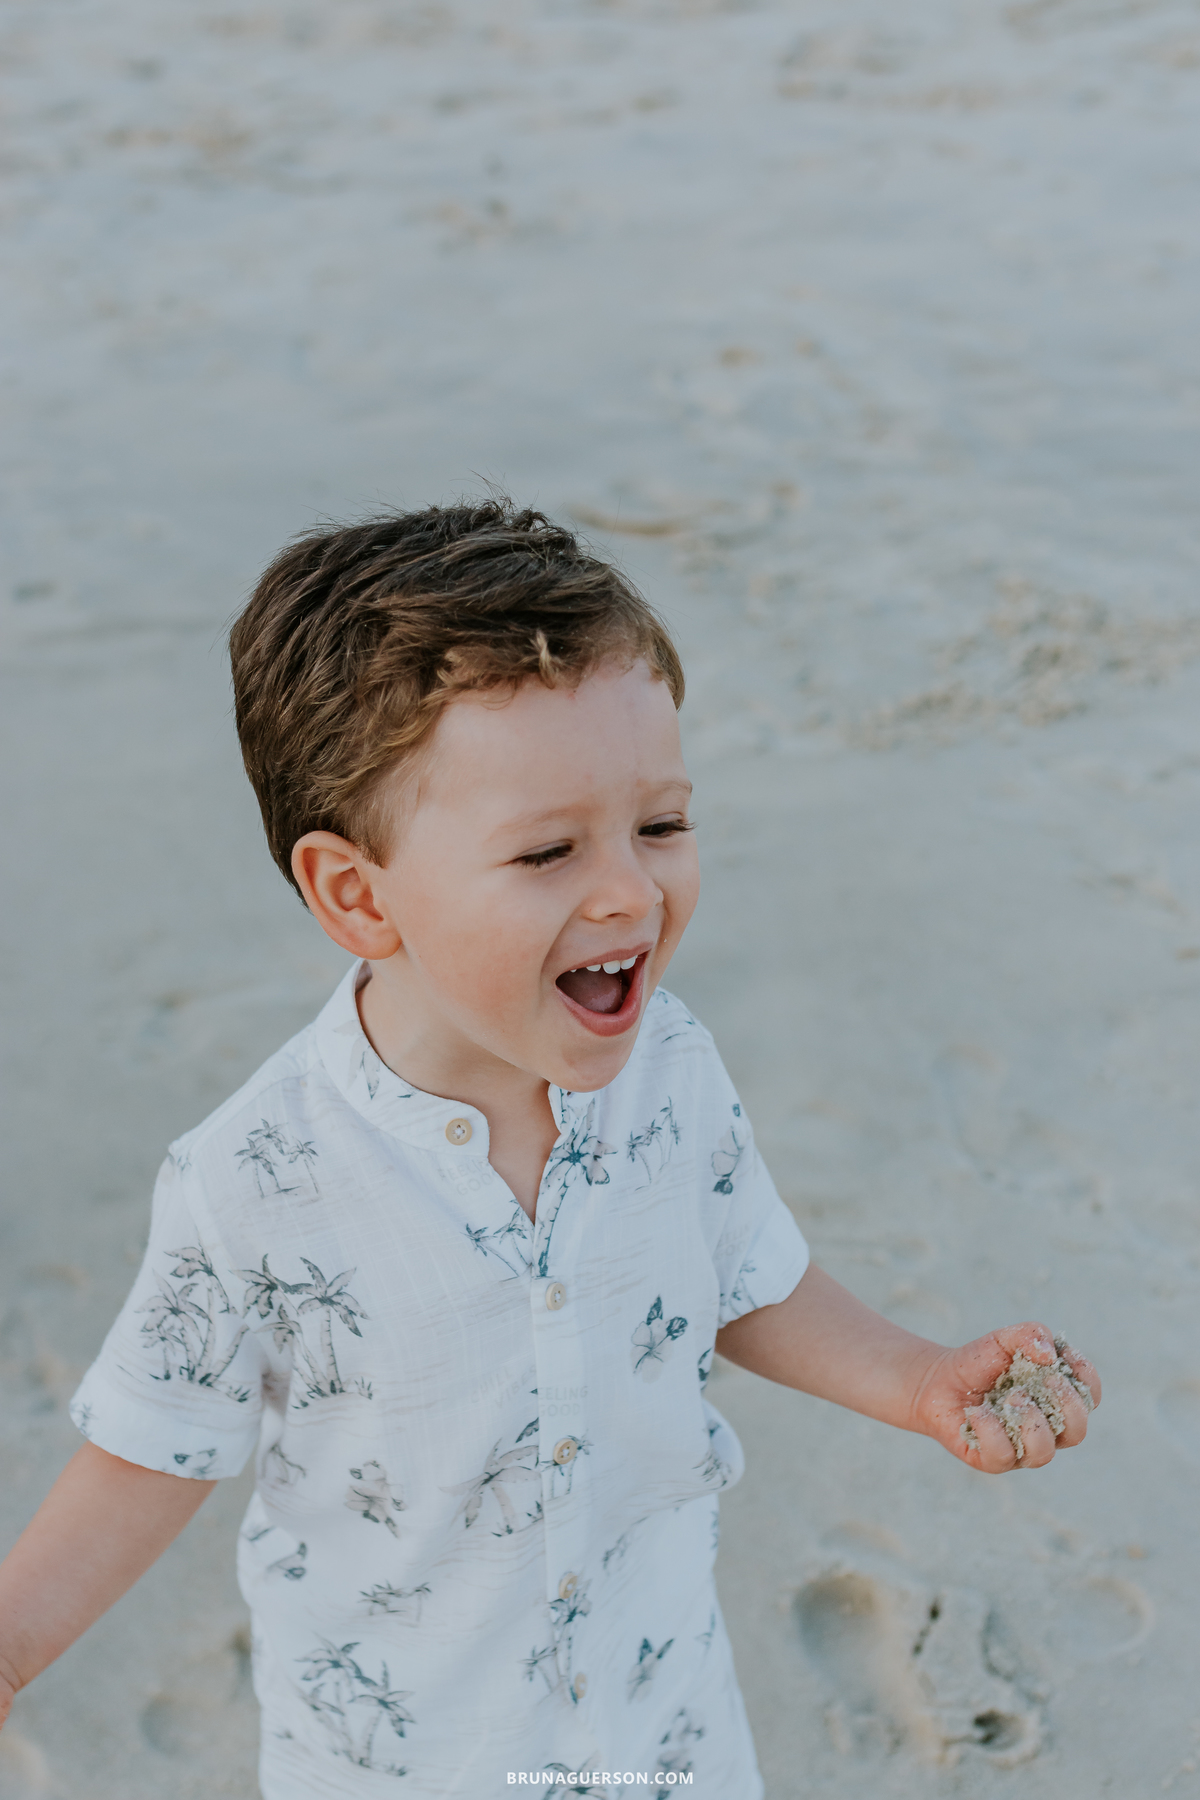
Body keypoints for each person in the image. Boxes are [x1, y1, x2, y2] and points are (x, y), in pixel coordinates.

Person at [0, 501, 1099, 1797]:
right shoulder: (254, 1180)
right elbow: (148, 1454)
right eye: (547, 850)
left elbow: (745, 1275)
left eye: (663, 826)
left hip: (663, 1733)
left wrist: (918, 1382)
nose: (630, 890)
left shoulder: (670, 1070)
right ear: (358, 893)